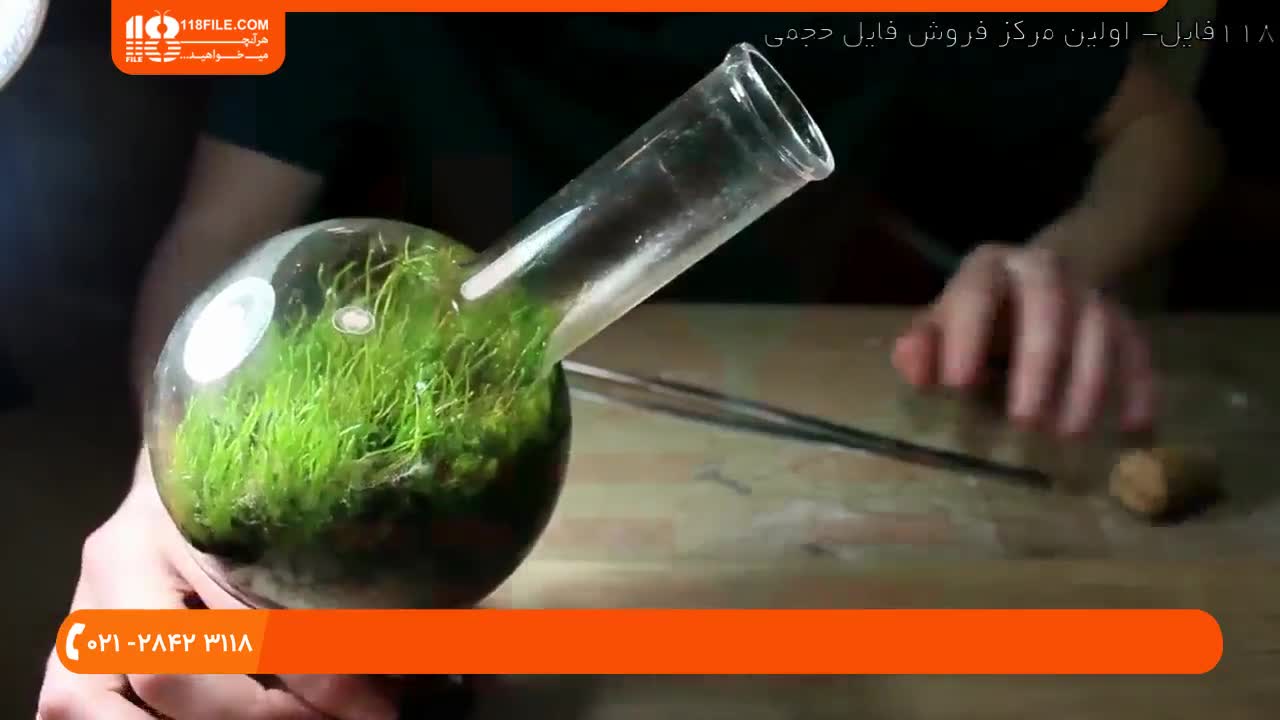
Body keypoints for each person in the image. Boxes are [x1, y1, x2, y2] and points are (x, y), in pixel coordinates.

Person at [36, 13, 1222, 720]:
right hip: (477, 465)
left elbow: (1163, 132)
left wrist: (1062, 259)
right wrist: (171, 487)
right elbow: (219, 240)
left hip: (812, 424)